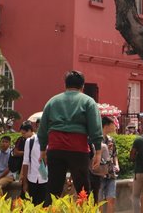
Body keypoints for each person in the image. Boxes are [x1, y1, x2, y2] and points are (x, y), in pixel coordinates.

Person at [37, 69, 103, 198]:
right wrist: (98, 151)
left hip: (55, 148)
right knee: (83, 190)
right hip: (78, 148)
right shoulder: (88, 101)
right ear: (82, 86)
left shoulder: (52, 101)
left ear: (65, 85)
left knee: (53, 190)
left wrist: (43, 150)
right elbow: (95, 128)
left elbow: (42, 129)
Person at [19, 122, 51, 206]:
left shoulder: (51, 142)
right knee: (30, 206)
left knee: (43, 207)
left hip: (45, 180)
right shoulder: (29, 141)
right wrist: (25, 183)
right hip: (31, 180)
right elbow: (25, 162)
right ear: (37, 128)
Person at [95, 117, 120, 213]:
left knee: (111, 199)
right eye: (112, 125)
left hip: (111, 173)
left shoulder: (111, 140)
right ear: (106, 126)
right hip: (99, 173)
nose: (114, 127)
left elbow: (114, 154)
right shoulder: (96, 139)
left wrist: (117, 165)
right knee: (99, 201)